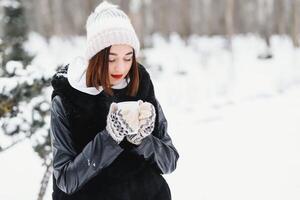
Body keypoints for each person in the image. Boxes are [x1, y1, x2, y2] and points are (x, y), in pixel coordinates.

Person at [50, 1, 179, 200]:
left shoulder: (140, 85)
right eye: (111, 59)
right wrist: (110, 138)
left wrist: (142, 140)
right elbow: (66, 180)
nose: (121, 67)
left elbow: (169, 162)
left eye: (128, 58)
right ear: (95, 56)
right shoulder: (68, 97)